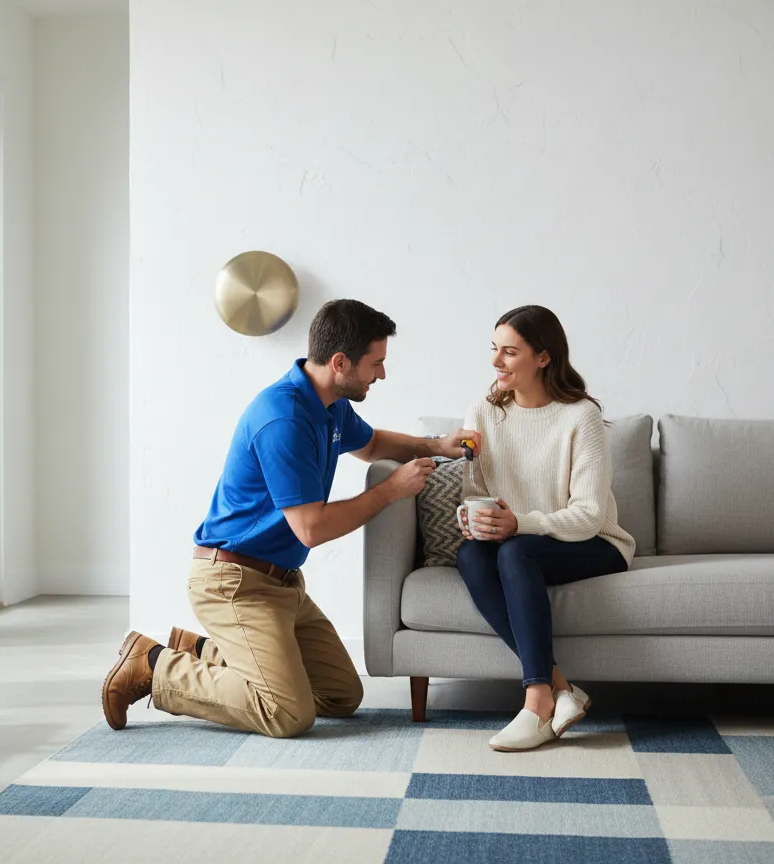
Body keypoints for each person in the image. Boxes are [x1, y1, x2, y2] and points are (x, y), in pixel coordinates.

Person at [102, 299, 481, 738]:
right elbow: (311, 528)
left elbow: (373, 445)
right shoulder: (283, 417)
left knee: (340, 695)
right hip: (234, 583)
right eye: (375, 363)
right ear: (340, 362)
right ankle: (152, 666)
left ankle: (201, 651)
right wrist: (390, 491)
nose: (381, 374)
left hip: (282, 584)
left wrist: (436, 445)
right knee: (287, 713)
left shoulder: (330, 402)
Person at [455, 305, 635, 752]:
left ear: (543, 357)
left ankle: (536, 701)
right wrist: (471, 517)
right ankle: (560, 686)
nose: (496, 362)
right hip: (518, 541)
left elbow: (591, 513)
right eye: (494, 349)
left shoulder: (580, 415)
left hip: (593, 542)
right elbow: (473, 488)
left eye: (510, 352)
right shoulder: (483, 410)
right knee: (471, 555)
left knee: (517, 551)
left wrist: (521, 523)